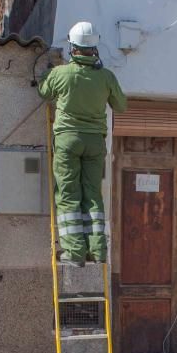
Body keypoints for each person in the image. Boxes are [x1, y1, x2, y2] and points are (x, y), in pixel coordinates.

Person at [39, 21, 127, 267]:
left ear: (72, 47)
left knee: (68, 195)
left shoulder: (62, 74)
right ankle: (98, 250)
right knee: (93, 195)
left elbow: (44, 92)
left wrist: (48, 73)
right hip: (95, 142)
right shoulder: (106, 77)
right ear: (94, 48)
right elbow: (121, 105)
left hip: (68, 139)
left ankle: (75, 252)